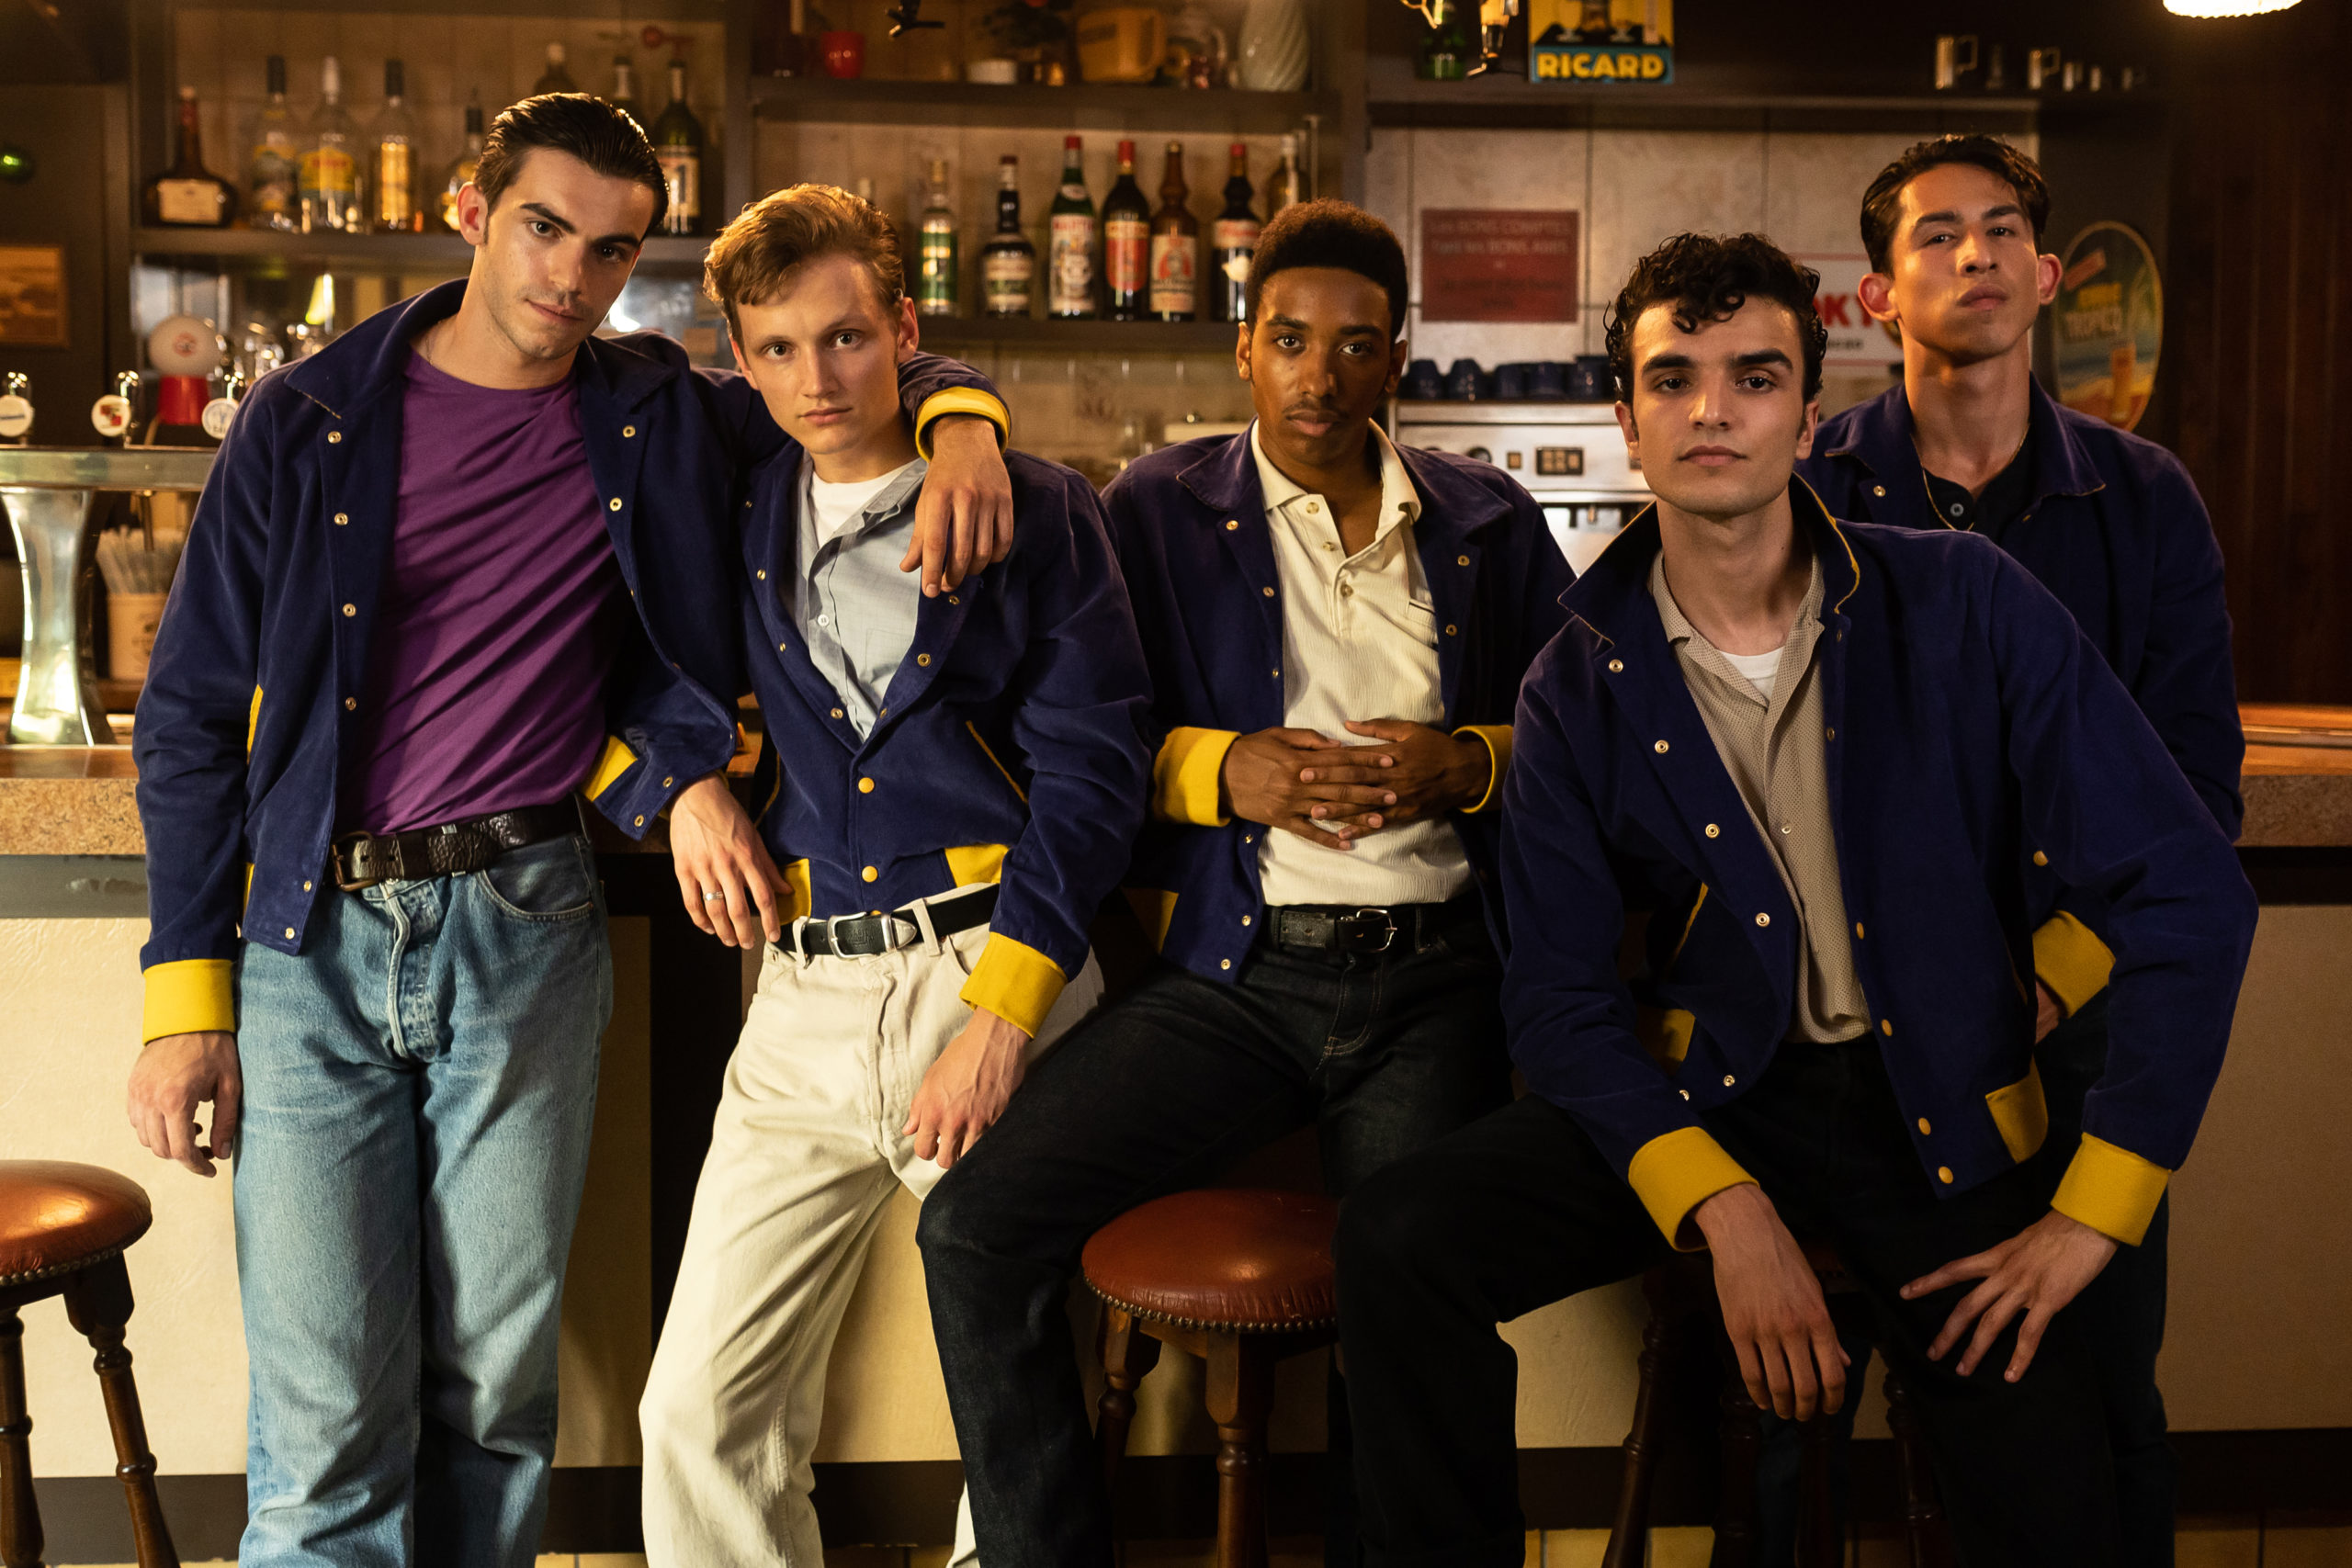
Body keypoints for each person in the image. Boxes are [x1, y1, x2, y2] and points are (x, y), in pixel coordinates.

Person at [125, 96, 1013, 1568]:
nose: (572, 277)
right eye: (545, 228)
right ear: (471, 212)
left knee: (494, 1402)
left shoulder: (653, 410)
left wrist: (963, 421)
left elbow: (843, 367)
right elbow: (189, 719)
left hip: (523, 922)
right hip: (307, 943)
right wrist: (183, 1002)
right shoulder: (310, 416)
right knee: (326, 1419)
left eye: (611, 252)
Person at [1331, 232, 2257, 1567]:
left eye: (1755, 377)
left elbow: (2190, 887)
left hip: (1939, 1111)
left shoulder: (1964, 601)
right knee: (1399, 1239)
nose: (1712, 410)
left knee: (2068, 1520)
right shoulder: (1573, 680)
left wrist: (2089, 1216)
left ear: (1811, 416)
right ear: (1629, 421)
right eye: (1675, 379)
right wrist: (1725, 1208)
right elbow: (1560, 1005)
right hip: (1713, 1097)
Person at [914, 198, 1572, 1568]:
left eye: (1356, 344)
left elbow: (1589, 739)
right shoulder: (1154, 509)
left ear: (1399, 358)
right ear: (1242, 347)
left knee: (1411, 1293)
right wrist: (1225, 772)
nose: (1319, 374)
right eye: (1289, 339)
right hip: (1236, 974)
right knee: (976, 1225)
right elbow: (1074, 741)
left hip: (1437, 978)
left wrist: (1470, 762)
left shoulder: (1488, 520)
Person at [633, 182, 1155, 1568]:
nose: (818, 376)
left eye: (848, 337)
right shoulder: (736, 507)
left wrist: (1003, 1021)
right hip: (801, 999)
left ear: (906, 331)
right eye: (780, 349)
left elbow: (1098, 777)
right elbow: (623, 671)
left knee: (1012, 1410)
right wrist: (681, 786)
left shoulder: (1039, 507)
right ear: (740, 363)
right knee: (696, 1413)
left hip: (991, 967)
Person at [1784, 133, 2242, 1563]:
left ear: (2046, 279)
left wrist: (2049, 975)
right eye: (1936, 234)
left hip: (2077, 1024)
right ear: (1875, 296)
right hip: (1860, 1033)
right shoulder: (1806, 491)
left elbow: (2196, 800)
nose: (1973, 254)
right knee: (1806, 1413)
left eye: (2000, 232)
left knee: (2106, 1389)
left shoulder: (2145, 497)